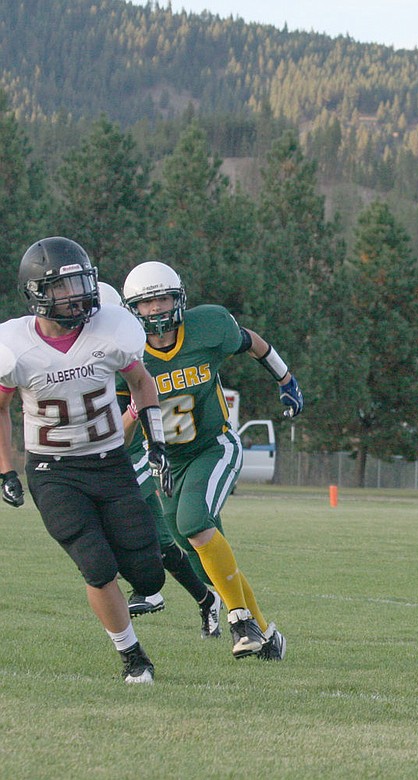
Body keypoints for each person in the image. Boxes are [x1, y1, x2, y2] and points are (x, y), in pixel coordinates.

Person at [0, 237, 169, 683]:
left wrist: (157, 440)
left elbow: (142, 383)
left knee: (149, 576)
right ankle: (133, 656)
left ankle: (138, 584)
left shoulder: (109, 329)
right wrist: (5, 468)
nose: (76, 295)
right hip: (54, 472)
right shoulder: (15, 345)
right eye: (63, 287)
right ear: (37, 293)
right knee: (96, 566)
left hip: (111, 463)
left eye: (80, 283)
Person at [119, 260, 303, 661]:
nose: (156, 310)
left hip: (213, 446)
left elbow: (250, 341)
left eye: (163, 299)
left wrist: (285, 379)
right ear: (132, 309)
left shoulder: (208, 327)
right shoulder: (124, 350)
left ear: (179, 298)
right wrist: (134, 411)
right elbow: (121, 433)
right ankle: (266, 635)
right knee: (198, 549)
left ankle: (238, 619)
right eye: (146, 304)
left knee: (192, 523)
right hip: (166, 461)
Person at [95, 282, 224, 639]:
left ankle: (151, 589)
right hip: (109, 448)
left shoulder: (125, 345)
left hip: (134, 447)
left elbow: (134, 407)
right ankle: (204, 599)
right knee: (163, 540)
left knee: (115, 516)